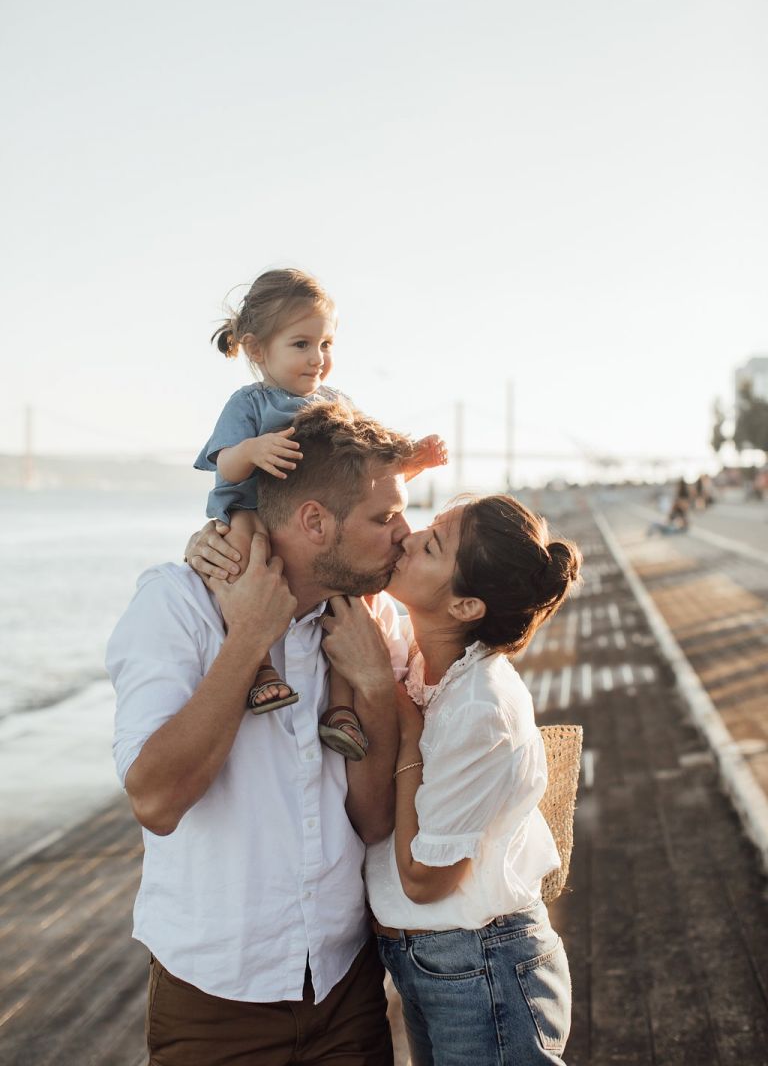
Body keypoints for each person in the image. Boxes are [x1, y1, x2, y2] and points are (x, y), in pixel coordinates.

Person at [107, 401, 417, 1066]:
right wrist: (249, 636)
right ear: (315, 521)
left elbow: (371, 821)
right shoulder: (176, 604)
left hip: (345, 983)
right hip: (215, 999)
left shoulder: (372, 622)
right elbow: (156, 802)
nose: (404, 533)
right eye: (384, 517)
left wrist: (372, 688)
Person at [360, 494, 582, 1065]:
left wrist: (407, 732)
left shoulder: (480, 705)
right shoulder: (423, 663)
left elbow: (426, 881)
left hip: (483, 966)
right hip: (433, 962)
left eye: (432, 545)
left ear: (464, 606)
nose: (408, 537)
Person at [194, 267, 447, 758]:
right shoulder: (250, 403)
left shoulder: (336, 402)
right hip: (252, 506)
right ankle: (260, 667)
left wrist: (412, 461)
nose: (318, 358)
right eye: (301, 344)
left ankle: (341, 709)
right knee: (243, 557)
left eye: (326, 344)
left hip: (320, 527)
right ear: (256, 349)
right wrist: (252, 450)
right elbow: (223, 463)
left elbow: (366, 479)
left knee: (353, 602)